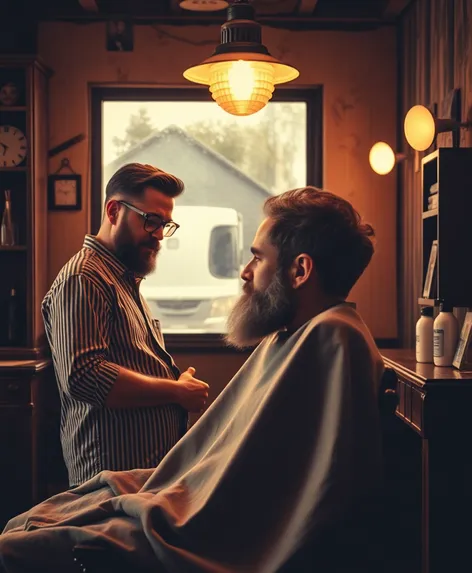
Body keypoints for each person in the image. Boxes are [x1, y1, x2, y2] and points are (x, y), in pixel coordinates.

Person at [1, 187, 385, 573]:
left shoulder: (332, 337)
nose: (245, 272)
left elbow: (298, 488)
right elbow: (85, 377)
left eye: (257, 257)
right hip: (152, 475)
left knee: (24, 547)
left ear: (300, 270)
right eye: (151, 221)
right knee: (41, 522)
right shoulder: (295, 333)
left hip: (214, 526)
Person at [41, 163, 210, 488]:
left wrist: (175, 379)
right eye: (151, 221)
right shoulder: (84, 278)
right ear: (114, 210)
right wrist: (175, 391)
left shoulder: (123, 279)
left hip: (136, 476)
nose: (159, 234)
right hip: (109, 477)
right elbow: (85, 376)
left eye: (165, 224)